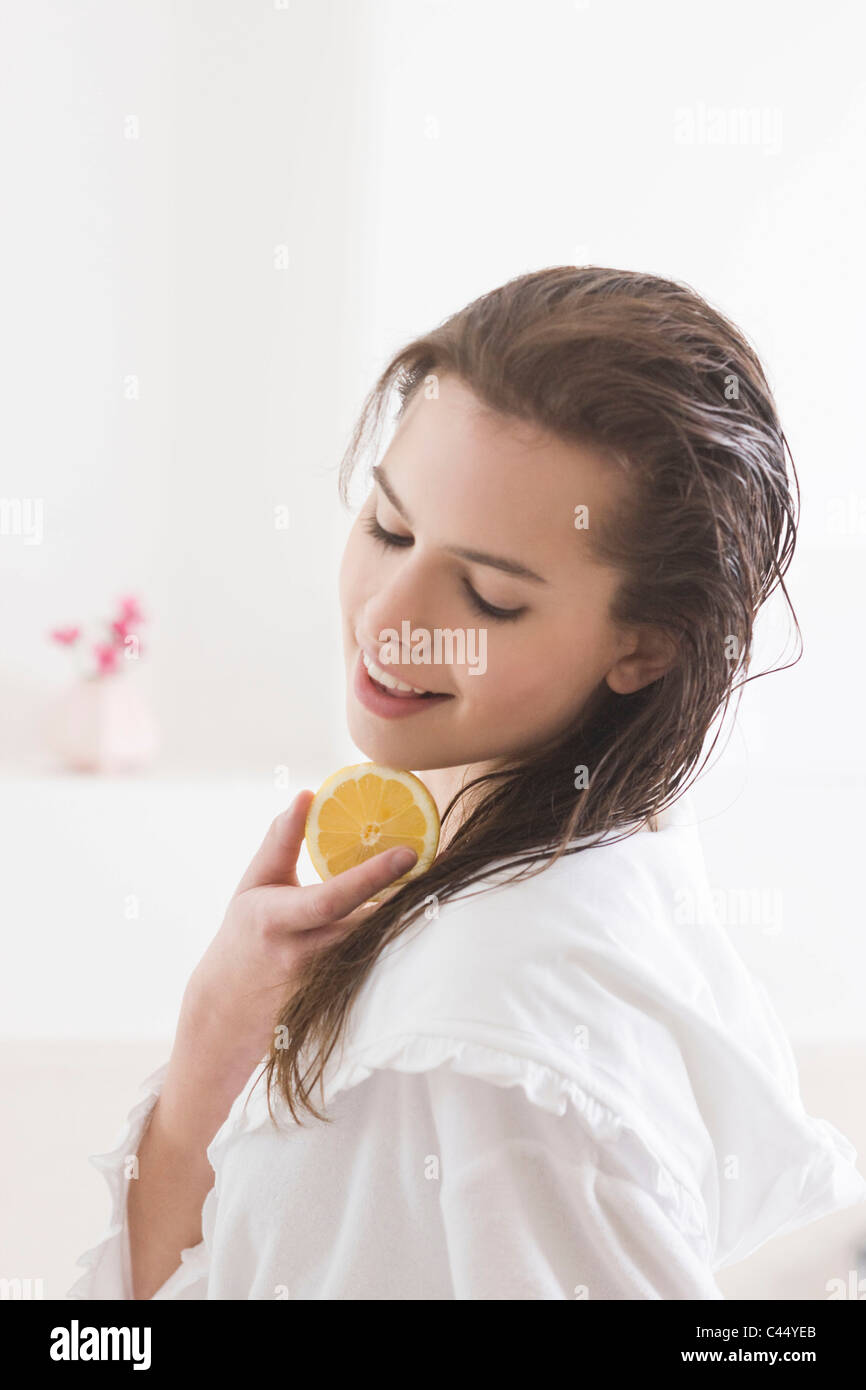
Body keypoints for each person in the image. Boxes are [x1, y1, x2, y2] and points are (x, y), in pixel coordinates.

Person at [68, 266, 866, 1300]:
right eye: (388, 530)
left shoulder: (479, 1033)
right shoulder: (607, 841)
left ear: (646, 645)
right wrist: (215, 1038)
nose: (390, 617)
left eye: (487, 597)